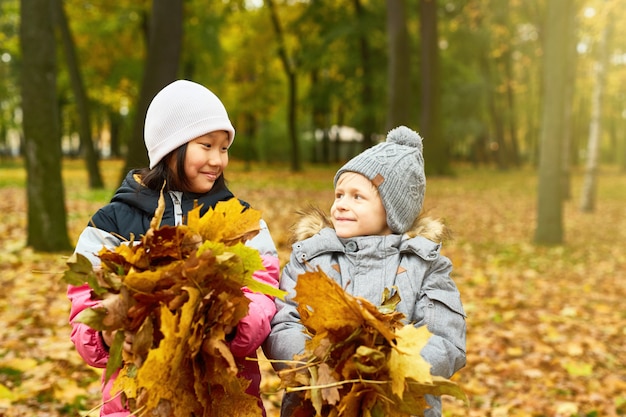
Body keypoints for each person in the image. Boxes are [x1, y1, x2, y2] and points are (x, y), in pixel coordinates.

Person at [67, 79, 280, 417]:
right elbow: (84, 304)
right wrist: (106, 333)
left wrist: (234, 323)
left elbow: (264, 289)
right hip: (139, 400)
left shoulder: (240, 220)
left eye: (224, 148)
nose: (218, 160)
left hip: (221, 396)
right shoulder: (112, 224)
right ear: (170, 148)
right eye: (206, 145)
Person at [264, 126, 466, 417]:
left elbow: (446, 340)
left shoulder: (425, 266)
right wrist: (313, 365)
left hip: (396, 405)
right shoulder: (310, 257)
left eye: (357, 197)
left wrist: (388, 369)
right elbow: (285, 323)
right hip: (318, 402)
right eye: (339, 194)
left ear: (392, 211)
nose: (341, 205)